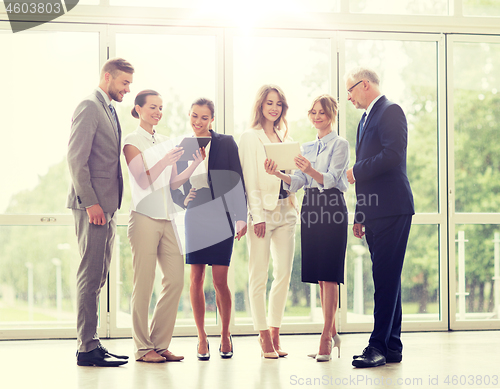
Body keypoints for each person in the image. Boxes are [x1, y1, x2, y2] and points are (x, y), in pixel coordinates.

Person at [264, 94, 349, 362]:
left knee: (330, 273)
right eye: (312, 112)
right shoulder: (307, 147)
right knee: (320, 274)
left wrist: (310, 170)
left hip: (332, 205)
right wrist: (279, 174)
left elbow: (334, 179)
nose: (316, 116)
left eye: (321, 112)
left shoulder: (340, 144)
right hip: (310, 207)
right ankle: (331, 332)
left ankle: (325, 337)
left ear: (332, 114)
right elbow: (299, 181)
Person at [123, 90, 204, 362]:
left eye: (161, 108)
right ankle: (142, 348)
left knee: (176, 279)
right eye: (153, 107)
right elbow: (143, 180)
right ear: (138, 109)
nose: (158, 112)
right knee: (143, 285)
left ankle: (159, 343)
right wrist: (165, 160)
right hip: (144, 217)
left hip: (167, 217)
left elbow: (172, 184)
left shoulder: (167, 140)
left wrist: (193, 166)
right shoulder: (131, 141)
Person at [344, 67, 414, 368]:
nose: (348, 97)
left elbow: (394, 154)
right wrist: (360, 215)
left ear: (366, 84)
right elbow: (367, 168)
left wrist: (356, 171)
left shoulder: (390, 110)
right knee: (388, 278)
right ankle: (393, 346)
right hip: (375, 211)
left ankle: (377, 347)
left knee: (383, 280)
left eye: (350, 90)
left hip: (392, 208)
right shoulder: (365, 119)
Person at [67, 58, 134, 367]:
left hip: (108, 206)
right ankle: (86, 348)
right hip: (93, 206)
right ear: (107, 77)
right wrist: (91, 202)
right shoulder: (89, 106)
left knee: (99, 275)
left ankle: (92, 343)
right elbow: (76, 160)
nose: (127, 89)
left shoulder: (109, 109)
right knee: (90, 275)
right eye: (123, 83)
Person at [172, 98, 247, 360]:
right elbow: (173, 184)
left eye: (204, 117)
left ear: (212, 119)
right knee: (195, 279)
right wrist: (183, 200)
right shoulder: (184, 145)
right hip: (196, 215)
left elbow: (237, 179)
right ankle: (201, 337)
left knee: (220, 281)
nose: (198, 122)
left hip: (222, 214)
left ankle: (225, 334)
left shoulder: (226, 142)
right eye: (194, 116)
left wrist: (241, 217)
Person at [239, 85, 298, 359]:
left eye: (278, 104)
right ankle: (263, 337)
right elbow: (250, 178)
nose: (274, 108)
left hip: (287, 210)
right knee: (258, 275)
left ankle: (275, 331)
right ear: (260, 105)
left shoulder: (286, 135)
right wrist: (256, 216)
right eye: (269, 103)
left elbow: (292, 176)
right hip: (263, 212)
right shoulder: (251, 137)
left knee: (283, 274)